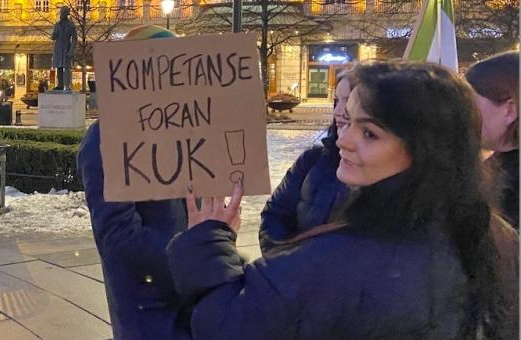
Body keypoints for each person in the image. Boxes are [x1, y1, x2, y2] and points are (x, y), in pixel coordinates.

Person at [167, 61, 517, 339]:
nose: (344, 140)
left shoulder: (343, 260)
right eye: (347, 120)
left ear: (423, 149)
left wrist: (206, 246)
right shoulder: (496, 237)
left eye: (369, 133)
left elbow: (229, 325)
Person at [77, 25, 189, 340]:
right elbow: (119, 237)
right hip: (148, 309)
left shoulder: (177, 129)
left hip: (187, 298)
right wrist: (189, 260)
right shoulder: (106, 136)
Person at [258, 69, 352, 253]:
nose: (339, 111)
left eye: (348, 101)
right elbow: (275, 215)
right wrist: (281, 264)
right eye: (337, 100)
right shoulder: (313, 160)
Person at [466, 51, 519, 229]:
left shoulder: (510, 185)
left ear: (510, 111)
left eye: (471, 105)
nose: (464, 115)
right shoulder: (500, 165)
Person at [51, 6, 76, 91]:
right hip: (58, 48)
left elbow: (74, 39)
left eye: (63, 12)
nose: (61, 14)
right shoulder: (57, 24)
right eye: (61, 12)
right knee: (59, 67)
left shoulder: (71, 25)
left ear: (67, 14)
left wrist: (71, 51)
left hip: (66, 48)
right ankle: (60, 85)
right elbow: (53, 36)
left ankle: (67, 85)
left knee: (67, 68)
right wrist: (54, 35)